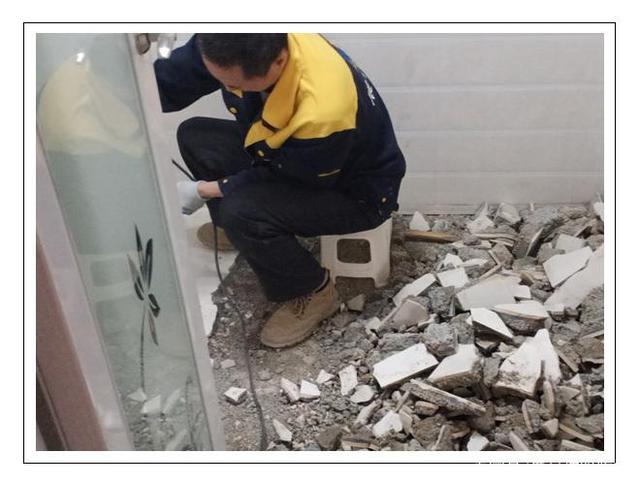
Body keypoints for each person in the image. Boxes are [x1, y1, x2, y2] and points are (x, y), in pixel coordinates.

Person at [154, 33, 405, 348]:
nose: (228, 88)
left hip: (354, 190)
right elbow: (172, 79)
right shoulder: (229, 39)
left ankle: (313, 291)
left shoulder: (324, 109)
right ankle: (243, 234)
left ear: (279, 61)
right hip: (289, 155)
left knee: (241, 211)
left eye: (236, 84)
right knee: (197, 136)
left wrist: (207, 189)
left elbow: (291, 179)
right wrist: (118, 99)